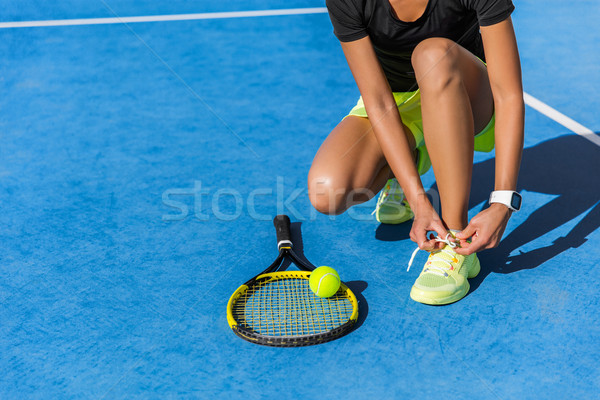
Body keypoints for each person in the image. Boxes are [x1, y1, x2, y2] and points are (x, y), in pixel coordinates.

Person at [308, 0, 524, 305]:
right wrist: (418, 199)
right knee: (326, 193)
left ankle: (454, 240)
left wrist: (503, 202)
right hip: (397, 105)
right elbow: (379, 102)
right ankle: (409, 160)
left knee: (432, 53)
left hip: (470, 96)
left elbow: (508, 94)